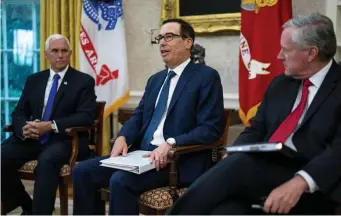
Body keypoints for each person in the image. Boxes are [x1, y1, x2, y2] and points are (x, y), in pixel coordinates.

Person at [166, 13, 341, 215]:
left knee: (240, 164)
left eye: (286, 50)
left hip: (313, 182)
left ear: (311, 53)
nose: (279, 56)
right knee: (224, 212)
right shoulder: (280, 85)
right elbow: (256, 130)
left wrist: (300, 181)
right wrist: (232, 154)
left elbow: (338, 150)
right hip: (262, 172)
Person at [72, 18, 225, 215]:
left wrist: (172, 143)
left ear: (188, 43)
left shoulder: (206, 77)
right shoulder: (156, 80)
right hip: (141, 156)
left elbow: (210, 129)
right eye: (160, 37)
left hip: (176, 161)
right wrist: (123, 137)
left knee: (120, 181)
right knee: (82, 171)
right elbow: (138, 117)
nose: (162, 42)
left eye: (169, 36)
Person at [1, 34, 97, 214]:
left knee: (47, 161)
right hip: (33, 138)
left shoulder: (83, 81)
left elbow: (86, 116)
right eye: (55, 51)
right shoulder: (34, 79)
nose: (60, 55)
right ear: (46, 55)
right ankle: (27, 205)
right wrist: (24, 128)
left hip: (64, 140)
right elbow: (19, 112)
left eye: (64, 51)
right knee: (1, 155)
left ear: (70, 54)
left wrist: (51, 125)